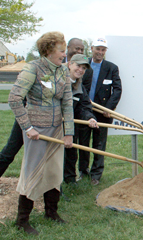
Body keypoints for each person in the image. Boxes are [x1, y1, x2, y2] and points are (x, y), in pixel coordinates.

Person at [8, 31, 74, 235]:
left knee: (54, 171)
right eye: (61, 51)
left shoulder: (63, 71)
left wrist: (69, 132)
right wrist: (28, 127)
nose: (64, 55)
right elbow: (14, 98)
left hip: (56, 129)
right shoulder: (32, 69)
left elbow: (68, 102)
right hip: (36, 130)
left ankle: (51, 212)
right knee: (32, 172)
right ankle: (22, 220)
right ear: (48, 50)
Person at [78, 37, 122, 185]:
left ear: (105, 51)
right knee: (83, 143)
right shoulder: (83, 66)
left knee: (99, 144)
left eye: (103, 50)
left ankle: (96, 174)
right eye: (98, 49)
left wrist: (109, 108)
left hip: (102, 112)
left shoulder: (111, 68)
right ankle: (83, 171)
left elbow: (117, 90)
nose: (100, 52)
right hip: (84, 110)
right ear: (91, 49)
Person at [63, 54, 98, 184]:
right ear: (70, 64)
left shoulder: (79, 85)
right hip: (54, 123)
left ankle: (70, 180)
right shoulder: (59, 81)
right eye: (78, 66)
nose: (80, 70)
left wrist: (89, 118)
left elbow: (84, 106)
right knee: (57, 156)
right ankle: (54, 186)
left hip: (70, 124)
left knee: (71, 152)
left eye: (83, 68)